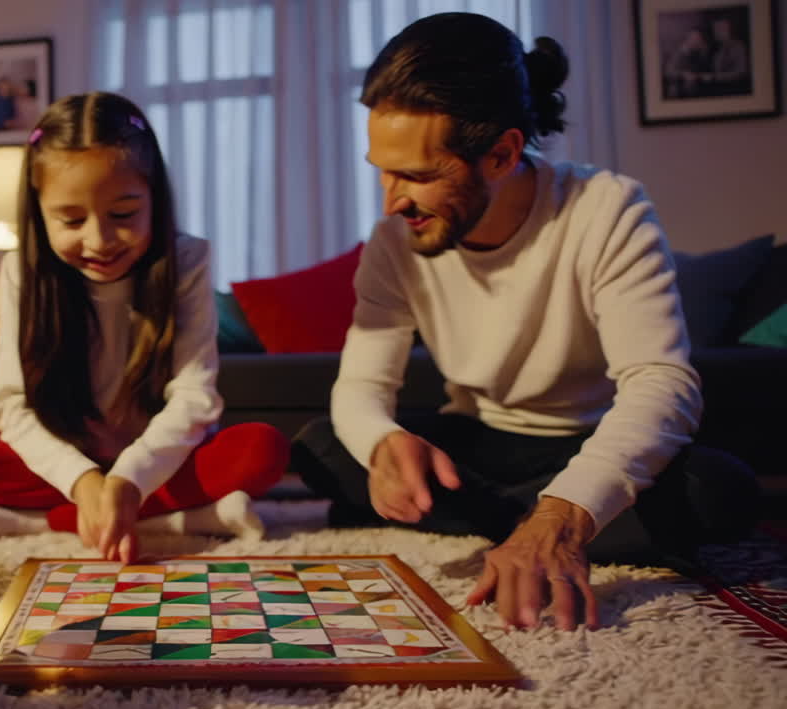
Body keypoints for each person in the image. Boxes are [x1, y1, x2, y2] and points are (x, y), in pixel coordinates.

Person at [290, 13, 759, 632]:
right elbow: (360, 389)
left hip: (581, 443)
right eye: (383, 168)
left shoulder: (607, 209)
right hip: (480, 441)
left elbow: (661, 382)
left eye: (418, 175)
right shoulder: (393, 241)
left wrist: (563, 512)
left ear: (502, 154)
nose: (391, 200)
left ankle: (528, 524)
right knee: (323, 446)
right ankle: (536, 523)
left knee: (718, 489)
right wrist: (381, 444)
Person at [0, 92, 289, 561]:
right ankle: (185, 516)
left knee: (261, 450)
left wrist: (129, 479)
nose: (99, 240)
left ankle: (39, 521)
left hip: (157, 461)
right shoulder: (21, 270)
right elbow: (12, 405)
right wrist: (84, 481)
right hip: (69, 464)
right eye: (72, 219)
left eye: (123, 214)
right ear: (39, 211)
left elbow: (194, 398)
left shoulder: (187, 261)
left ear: (153, 199)